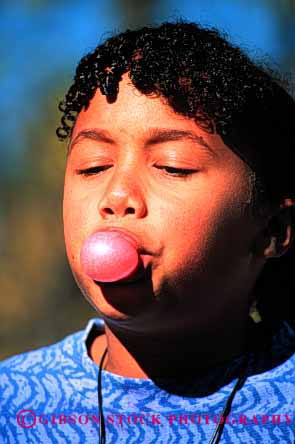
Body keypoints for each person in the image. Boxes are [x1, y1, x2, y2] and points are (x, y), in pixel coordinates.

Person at [1, 21, 295, 444]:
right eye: (93, 165)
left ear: (272, 231)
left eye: (173, 166)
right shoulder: (11, 404)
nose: (117, 195)